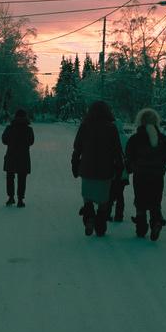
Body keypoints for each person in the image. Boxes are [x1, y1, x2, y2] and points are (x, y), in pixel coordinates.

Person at [71, 100, 124, 237]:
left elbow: (77, 148)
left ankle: (89, 217)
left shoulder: (85, 126)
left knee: (87, 197)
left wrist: (75, 164)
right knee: (103, 200)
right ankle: (100, 227)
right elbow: (117, 150)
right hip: (105, 170)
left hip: (87, 168)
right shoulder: (111, 128)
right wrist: (119, 167)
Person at [125, 108, 166, 241]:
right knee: (155, 200)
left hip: (140, 174)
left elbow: (129, 155)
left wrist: (133, 166)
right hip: (157, 175)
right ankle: (156, 221)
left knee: (140, 200)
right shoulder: (163, 139)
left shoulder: (135, 139)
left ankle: (141, 227)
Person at [2, 108, 34, 207]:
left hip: (11, 155)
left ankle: (11, 197)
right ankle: (20, 199)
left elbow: (4, 140)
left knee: (10, 177)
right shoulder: (28, 129)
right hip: (23, 156)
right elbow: (31, 142)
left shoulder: (9, 128)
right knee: (22, 178)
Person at [107, 115, 130, 222]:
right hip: (123, 170)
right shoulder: (126, 139)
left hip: (111, 169)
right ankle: (119, 215)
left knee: (110, 192)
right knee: (120, 193)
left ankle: (107, 213)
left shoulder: (108, 138)